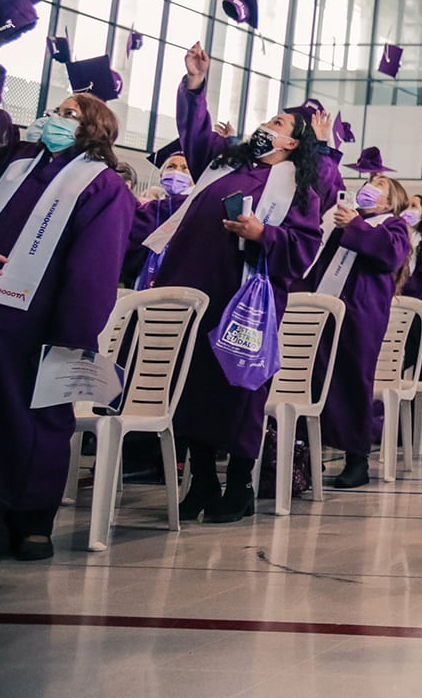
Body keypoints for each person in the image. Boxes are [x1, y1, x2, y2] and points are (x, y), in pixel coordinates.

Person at [155, 43, 324, 525]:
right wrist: (195, 83)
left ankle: (239, 484)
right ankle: (202, 481)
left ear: (293, 143)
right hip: (195, 290)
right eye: (268, 119)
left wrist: (262, 233)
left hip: (246, 302)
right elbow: (194, 133)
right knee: (191, 384)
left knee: (239, 389)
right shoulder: (224, 163)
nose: (267, 126)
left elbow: (305, 247)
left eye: (278, 123)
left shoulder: (298, 190)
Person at [0, 92, 136, 563]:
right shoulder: (16, 165)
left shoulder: (103, 186)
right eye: (56, 111)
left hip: (41, 323)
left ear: (93, 128)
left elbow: (94, 269)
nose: (55, 118)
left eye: (69, 114)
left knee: (36, 421)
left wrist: (74, 332)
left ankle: (32, 519)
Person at [297, 136, 414, 490]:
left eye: (380, 185)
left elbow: (390, 255)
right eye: (369, 182)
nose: (370, 186)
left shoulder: (393, 226)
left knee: (353, 380)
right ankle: (307, 453)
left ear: (390, 202)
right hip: (327, 307)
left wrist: (356, 226)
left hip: (362, 313)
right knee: (316, 377)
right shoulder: (343, 219)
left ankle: (356, 458)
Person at [122, 142, 191, 287]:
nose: (177, 172)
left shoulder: (199, 206)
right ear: (161, 176)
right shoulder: (151, 208)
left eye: (185, 168)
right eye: (171, 167)